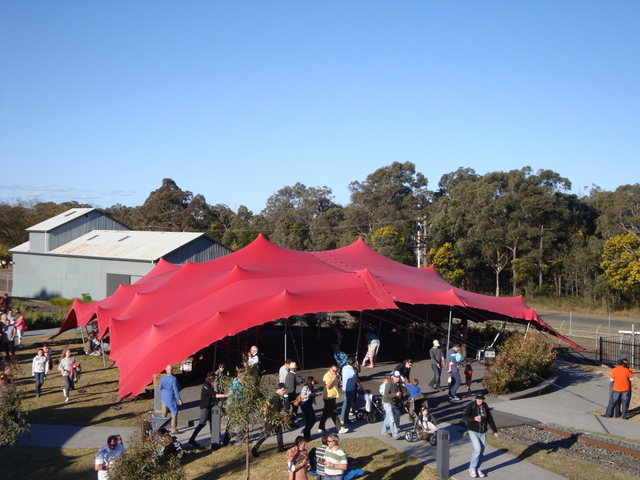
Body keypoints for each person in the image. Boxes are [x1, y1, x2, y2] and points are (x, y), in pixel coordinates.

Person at [462, 393, 499, 478]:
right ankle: (472, 468)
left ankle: (478, 469)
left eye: (481, 399)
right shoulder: (471, 405)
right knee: (477, 449)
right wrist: (474, 419)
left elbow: (490, 418)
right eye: (478, 399)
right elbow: (465, 417)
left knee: (481, 451)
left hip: (483, 431)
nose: (480, 401)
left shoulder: (485, 406)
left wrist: (495, 431)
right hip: (473, 430)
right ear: (476, 399)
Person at [189, 371, 227, 447]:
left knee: (213, 423)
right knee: (201, 424)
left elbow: (212, 396)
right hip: (205, 407)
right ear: (211, 377)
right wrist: (226, 395)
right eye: (214, 377)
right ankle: (192, 439)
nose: (215, 378)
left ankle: (215, 439)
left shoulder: (210, 385)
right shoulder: (206, 385)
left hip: (210, 407)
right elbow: (214, 394)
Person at [251, 382, 287, 457]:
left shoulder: (279, 397)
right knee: (266, 434)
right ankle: (254, 450)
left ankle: (281, 448)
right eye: (283, 390)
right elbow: (266, 405)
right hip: (271, 418)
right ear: (278, 389)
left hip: (277, 418)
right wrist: (265, 416)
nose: (284, 391)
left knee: (279, 431)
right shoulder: (274, 397)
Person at [318, 364, 344, 434]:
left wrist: (339, 385)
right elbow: (327, 386)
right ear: (330, 369)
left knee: (326, 413)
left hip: (333, 395)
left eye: (336, 371)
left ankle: (321, 427)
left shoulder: (334, 375)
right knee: (333, 412)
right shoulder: (327, 376)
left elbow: (334, 385)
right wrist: (333, 379)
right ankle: (340, 428)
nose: (335, 372)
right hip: (328, 397)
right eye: (334, 371)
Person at [159, 364, 183, 434]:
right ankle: (173, 429)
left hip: (163, 396)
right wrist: (179, 399)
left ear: (166, 370)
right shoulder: (173, 379)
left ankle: (161, 428)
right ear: (172, 370)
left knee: (164, 413)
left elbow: (160, 388)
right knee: (174, 412)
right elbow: (175, 390)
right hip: (170, 397)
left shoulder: (162, 378)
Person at [380, 371, 403, 439]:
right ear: (392, 377)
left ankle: (383, 432)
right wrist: (395, 394)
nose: (398, 378)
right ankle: (395, 434)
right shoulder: (389, 384)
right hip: (387, 403)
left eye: (398, 377)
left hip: (393, 403)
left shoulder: (397, 384)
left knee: (387, 419)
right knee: (391, 419)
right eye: (396, 377)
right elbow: (386, 395)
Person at [340, 356, 360, 428]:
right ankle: (345, 419)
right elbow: (356, 378)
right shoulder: (351, 370)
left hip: (344, 388)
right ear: (353, 363)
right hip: (350, 389)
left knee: (345, 403)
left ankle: (343, 417)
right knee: (348, 404)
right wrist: (359, 384)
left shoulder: (344, 368)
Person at [299, 376, 320, 441]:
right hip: (305, 405)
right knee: (309, 420)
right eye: (313, 381)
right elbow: (302, 396)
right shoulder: (305, 387)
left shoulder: (311, 388)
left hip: (309, 405)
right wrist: (311, 395)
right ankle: (306, 436)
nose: (314, 382)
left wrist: (316, 394)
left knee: (313, 419)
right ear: (310, 381)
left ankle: (305, 430)